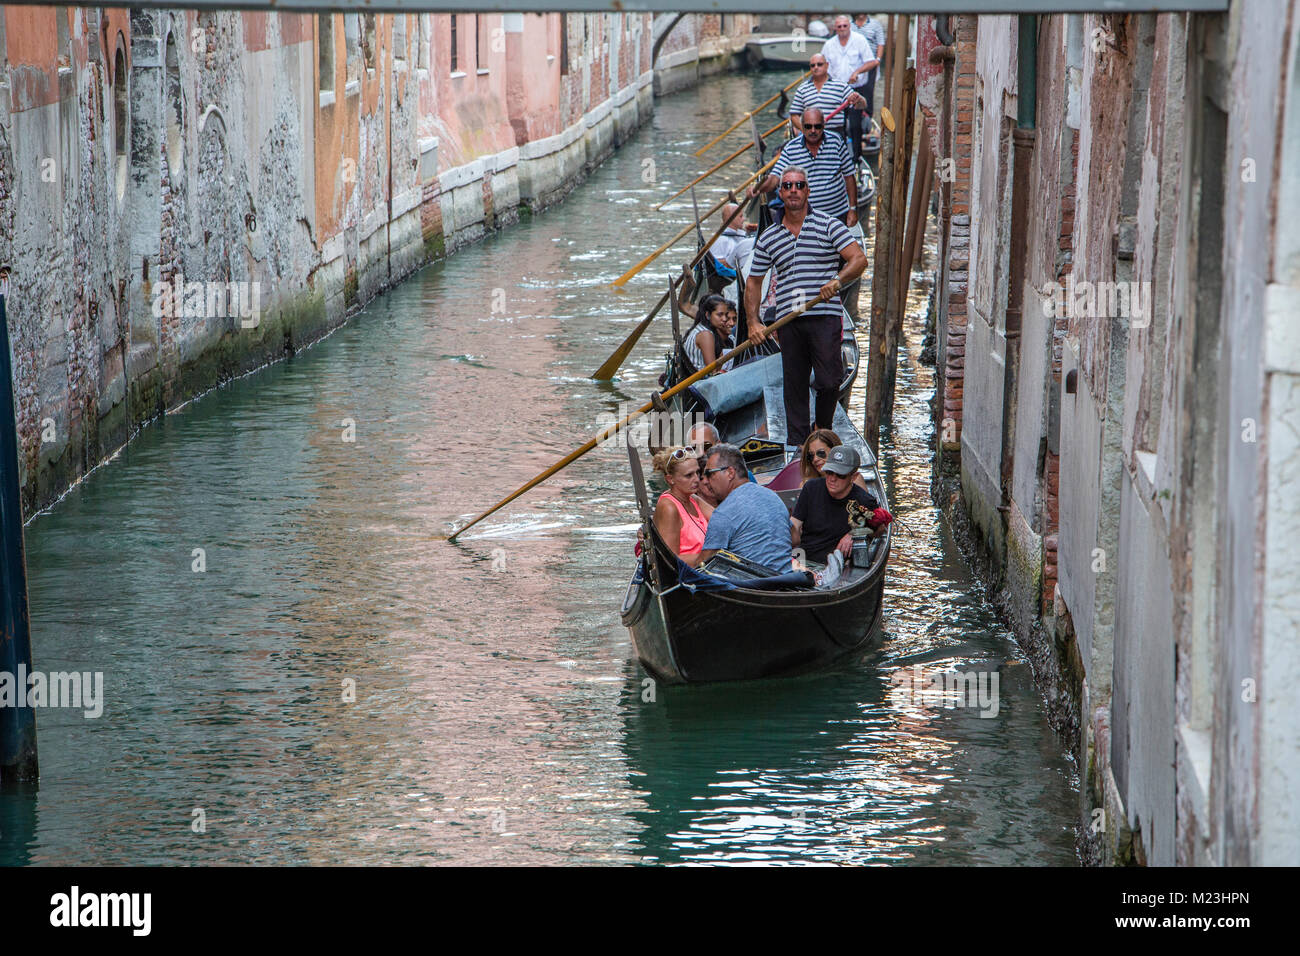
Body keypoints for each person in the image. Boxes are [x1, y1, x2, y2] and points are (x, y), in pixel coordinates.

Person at [744, 166, 868, 450]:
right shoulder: (769, 237)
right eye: (787, 186)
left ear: (807, 191)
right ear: (781, 193)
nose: (793, 190)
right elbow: (753, 282)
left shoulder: (829, 225)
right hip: (789, 319)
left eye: (799, 185)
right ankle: (799, 445)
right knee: (795, 385)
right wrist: (753, 322)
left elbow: (859, 260)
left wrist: (836, 281)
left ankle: (821, 429)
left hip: (825, 314)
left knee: (829, 380)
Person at [749, 109, 857, 227]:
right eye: (808, 126)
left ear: (824, 125)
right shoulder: (791, 148)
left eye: (817, 126)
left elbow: (849, 176)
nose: (813, 130)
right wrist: (758, 188)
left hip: (837, 215)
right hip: (806, 219)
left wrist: (852, 209)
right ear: (801, 126)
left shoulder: (836, 142)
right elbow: (775, 178)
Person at [698, 443, 794, 572]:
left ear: (730, 472)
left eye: (709, 473)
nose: (707, 480)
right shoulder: (773, 496)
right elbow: (795, 538)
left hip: (753, 587)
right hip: (787, 580)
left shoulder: (724, 513)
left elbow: (705, 564)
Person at [791, 444, 880, 567]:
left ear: (853, 477)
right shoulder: (811, 488)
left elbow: (880, 528)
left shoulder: (864, 501)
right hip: (803, 560)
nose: (832, 479)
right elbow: (795, 524)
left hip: (836, 567)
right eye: (829, 472)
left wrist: (854, 534)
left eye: (840, 475)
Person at [821, 15, 878, 163]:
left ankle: (856, 158)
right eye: (839, 26)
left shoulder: (859, 40)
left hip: (855, 90)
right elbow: (822, 66)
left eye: (844, 26)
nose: (842, 29)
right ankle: (838, 156)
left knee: (855, 125)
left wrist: (857, 72)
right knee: (836, 125)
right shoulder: (829, 45)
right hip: (836, 90)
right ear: (835, 28)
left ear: (849, 26)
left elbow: (871, 62)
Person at [651, 446, 714, 567]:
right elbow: (669, 560)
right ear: (670, 479)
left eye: (697, 472)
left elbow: (721, 520)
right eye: (689, 475)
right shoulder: (668, 507)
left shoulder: (693, 499)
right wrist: (706, 556)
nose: (696, 479)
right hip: (689, 575)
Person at [787, 54, 865, 138]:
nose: (816, 67)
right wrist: (805, 130)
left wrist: (858, 99)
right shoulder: (802, 88)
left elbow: (861, 105)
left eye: (819, 64)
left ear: (827, 65)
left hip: (835, 134)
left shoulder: (840, 86)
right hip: (811, 136)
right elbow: (794, 115)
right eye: (813, 65)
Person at [678, 293, 736, 373]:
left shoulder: (702, 328)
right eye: (720, 315)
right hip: (698, 382)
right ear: (708, 315)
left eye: (725, 315)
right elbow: (713, 372)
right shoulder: (705, 334)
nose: (724, 319)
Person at [799, 428, 870, 489]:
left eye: (821, 453)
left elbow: (865, 504)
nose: (815, 459)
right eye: (811, 455)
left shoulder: (853, 480)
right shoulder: (805, 485)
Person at [852, 14, 887, 120]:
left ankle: (867, 117)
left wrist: (878, 60)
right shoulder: (849, 25)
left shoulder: (875, 25)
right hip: (853, 64)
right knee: (851, 90)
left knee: (868, 91)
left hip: (869, 64)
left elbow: (880, 43)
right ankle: (853, 115)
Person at [712, 203, 758, 275]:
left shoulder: (741, 234)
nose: (744, 219)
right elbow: (714, 265)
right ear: (732, 217)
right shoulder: (721, 240)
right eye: (741, 216)